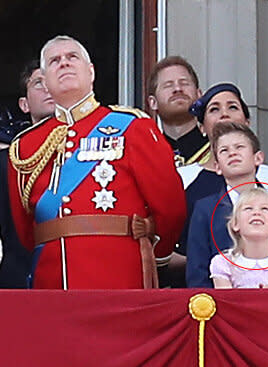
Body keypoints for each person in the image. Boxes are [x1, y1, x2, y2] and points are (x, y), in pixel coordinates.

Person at [7, 35, 186, 289]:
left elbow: (170, 207)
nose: (64, 63)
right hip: (50, 282)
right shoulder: (25, 146)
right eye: (55, 60)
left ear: (91, 72)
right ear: (45, 82)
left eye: (72, 57)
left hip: (119, 277)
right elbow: (26, 231)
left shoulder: (132, 127)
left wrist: (155, 256)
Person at [170, 83, 268, 287]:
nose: (232, 153)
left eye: (239, 147)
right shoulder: (205, 210)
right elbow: (197, 273)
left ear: (258, 158)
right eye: (224, 151)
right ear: (217, 166)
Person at [0, 60, 56, 288]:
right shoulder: (6, 161)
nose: (47, 88)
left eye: (51, 81)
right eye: (38, 83)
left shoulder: (88, 153)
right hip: (19, 279)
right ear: (24, 104)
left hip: (75, 276)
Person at [210, 188, 268, 288]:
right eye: (248, 208)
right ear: (235, 224)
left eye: (264, 209)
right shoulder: (223, 263)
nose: (256, 213)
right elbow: (226, 301)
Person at [147, 56, 205, 166]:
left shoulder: (217, 152)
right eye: (168, 85)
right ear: (153, 102)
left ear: (199, 96)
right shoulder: (146, 157)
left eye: (184, 83)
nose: (178, 89)